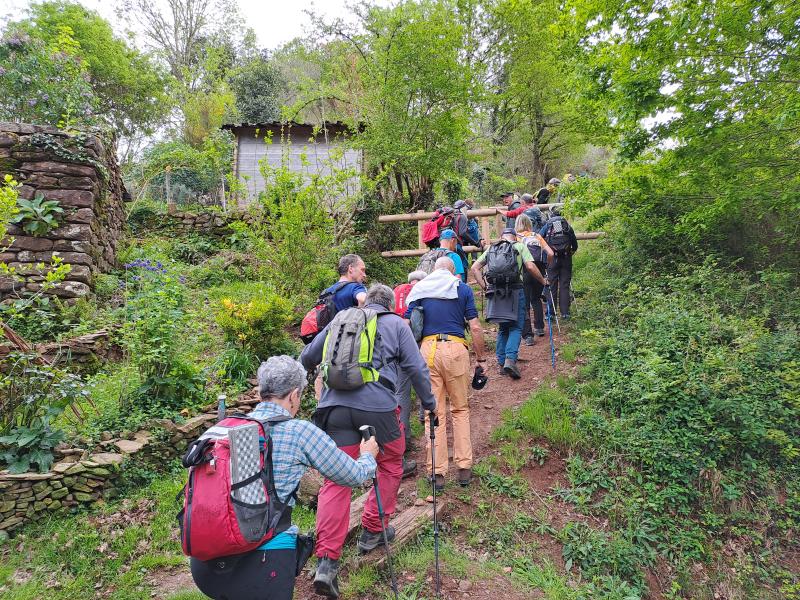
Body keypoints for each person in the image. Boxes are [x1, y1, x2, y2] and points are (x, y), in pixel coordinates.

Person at [189, 356, 379, 600]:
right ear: (294, 395)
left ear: (260, 393)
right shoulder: (299, 431)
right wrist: (367, 456)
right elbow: (352, 476)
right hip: (262, 566)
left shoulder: (222, 429)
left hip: (206, 564)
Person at [300, 284, 437, 598]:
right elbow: (416, 368)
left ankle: (327, 562)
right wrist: (429, 403)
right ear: (389, 305)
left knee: (336, 479)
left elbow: (307, 356)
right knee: (390, 461)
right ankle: (373, 530)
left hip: (333, 407)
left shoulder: (341, 320)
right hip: (377, 407)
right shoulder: (396, 324)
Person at [404, 256, 487, 490]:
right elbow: (475, 326)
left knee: (433, 411)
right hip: (455, 348)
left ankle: (437, 473)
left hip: (427, 351)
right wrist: (481, 359)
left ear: (433, 270)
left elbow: (407, 323)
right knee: (460, 408)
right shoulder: (461, 289)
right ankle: (464, 469)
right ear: (453, 271)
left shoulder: (421, 288)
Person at [470, 227, 547, 379]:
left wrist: (485, 287)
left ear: (502, 236)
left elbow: (475, 268)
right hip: (515, 290)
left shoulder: (492, 248)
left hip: (496, 292)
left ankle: (500, 362)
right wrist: (543, 281)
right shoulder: (519, 246)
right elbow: (530, 266)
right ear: (515, 237)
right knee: (516, 326)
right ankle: (510, 360)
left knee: (503, 328)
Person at [392, 270, 428, 477]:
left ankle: (403, 441)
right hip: (416, 344)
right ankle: (425, 414)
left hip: (395, 347)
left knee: (401, 394)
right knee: (425, 379)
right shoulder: (422, 290)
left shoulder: (397, 291)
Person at [514, 214, 554, 345]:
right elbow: (551, 253)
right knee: (536, 299)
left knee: (524, 303)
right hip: (539, 269)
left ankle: (528, 336)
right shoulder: (537, 236)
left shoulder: (516, 237)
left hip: (524, 269)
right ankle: (540, 327)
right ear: (529, 223)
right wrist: (546, 265)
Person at [539, 206, 578, 319]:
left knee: (551, 285)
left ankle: (551, 313)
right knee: (564, 285)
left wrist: (547, 251)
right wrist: (569, 253)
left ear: (551, 214)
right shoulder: (566, 226)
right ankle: (565, 313)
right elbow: (575, 245)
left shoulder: (548, 225)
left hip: (552, 259)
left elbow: (539, 238)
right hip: (566, 258)